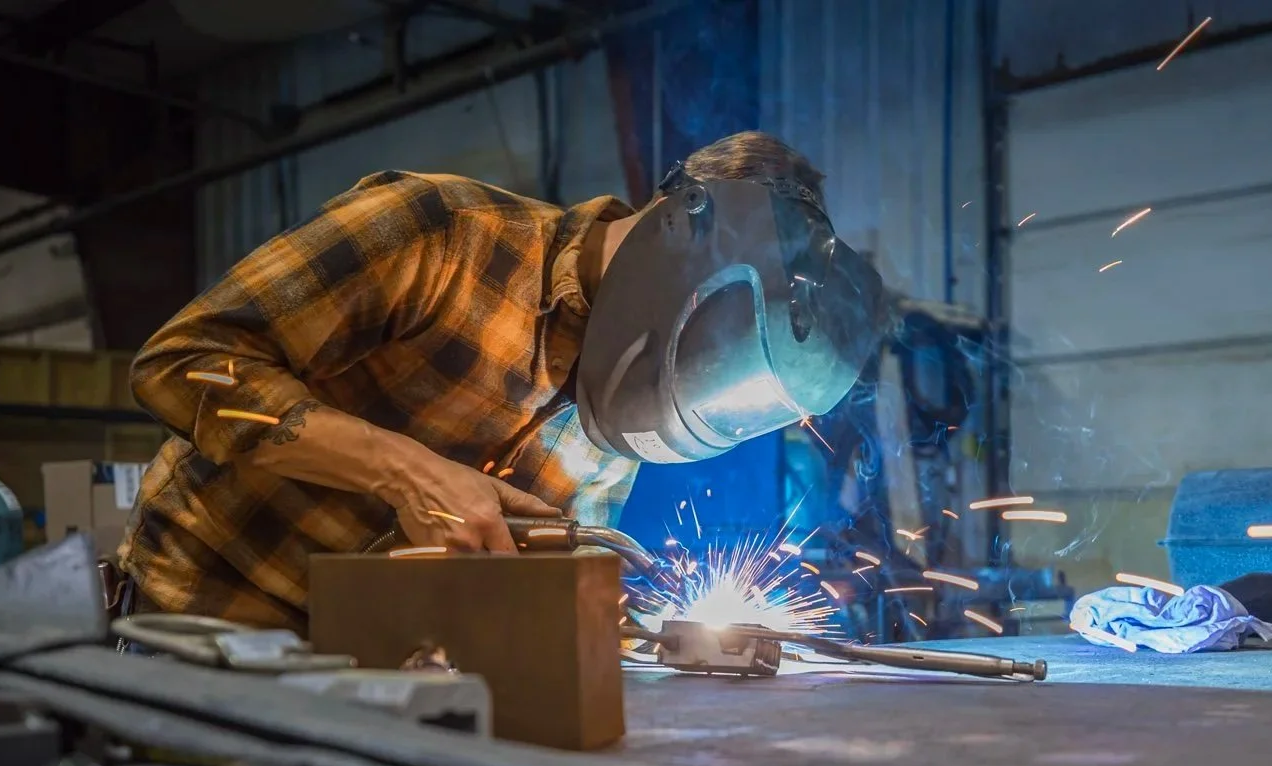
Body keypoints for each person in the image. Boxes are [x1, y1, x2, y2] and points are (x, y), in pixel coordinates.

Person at [116, 131, 886, 634]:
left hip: (369, 671)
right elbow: (181, 362)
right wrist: (406, 473)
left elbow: (537, 565)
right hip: (205, 620)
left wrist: (620, 627)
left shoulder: (628, 395)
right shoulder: (439, 230)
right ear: (678, 223)